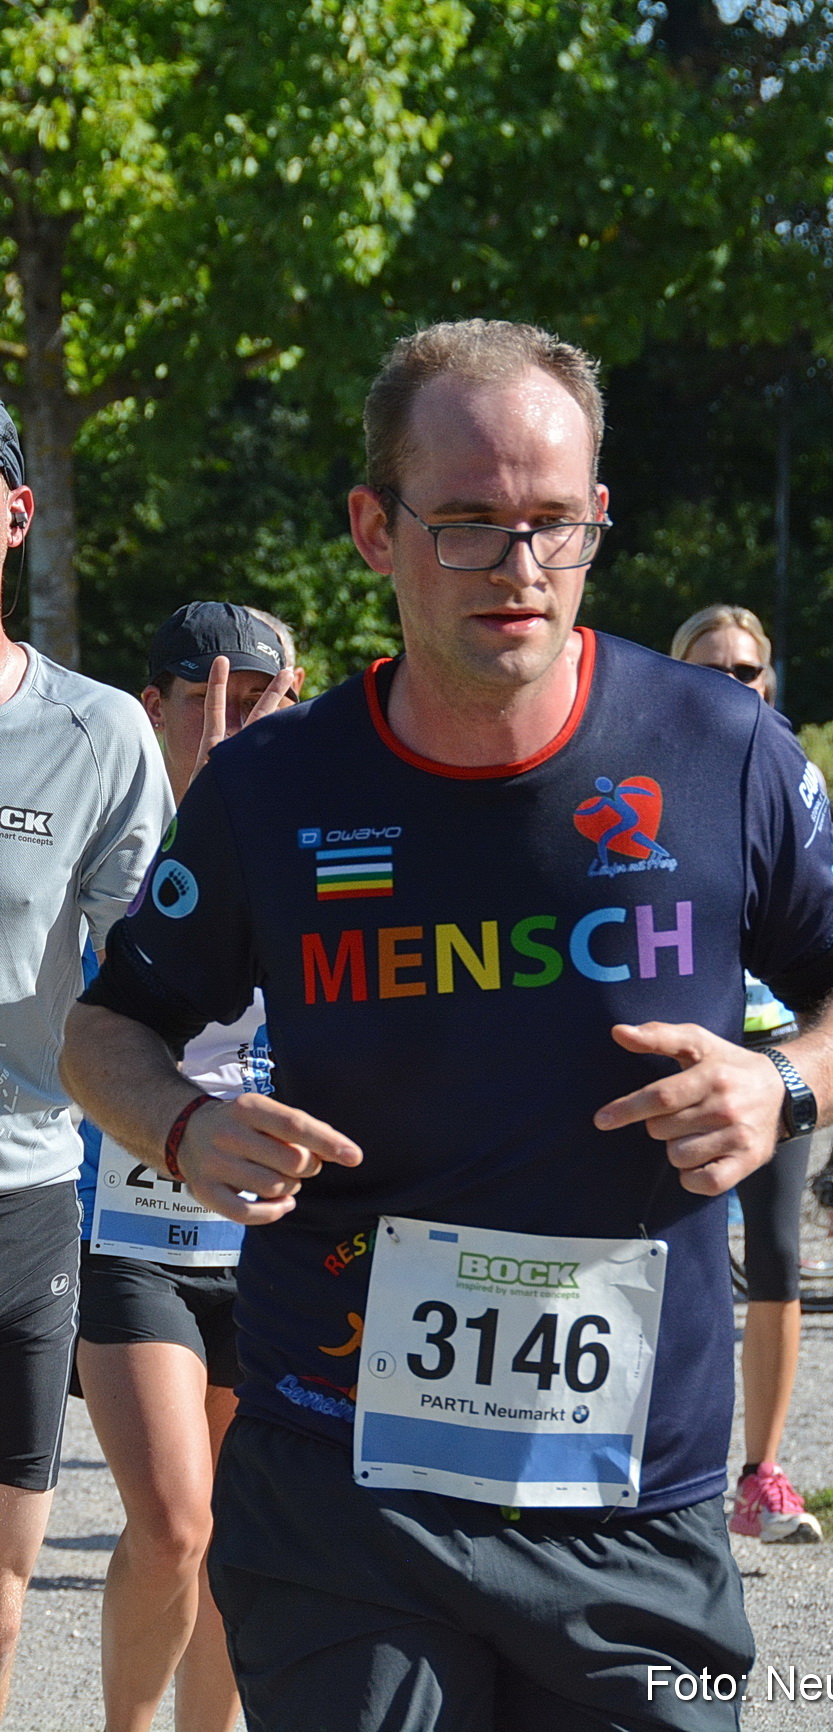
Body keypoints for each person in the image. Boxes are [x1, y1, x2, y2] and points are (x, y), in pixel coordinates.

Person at [62, 319, 833, 1732]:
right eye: (465, 526)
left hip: (629, 1494)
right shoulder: (276, 787)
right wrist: (182, 1119)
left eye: (551, 525)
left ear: (595, 522)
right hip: (347, 1490)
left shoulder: (717, 750)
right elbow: (109, 1027)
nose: (517, 571)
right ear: (372, 528)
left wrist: (782, 1086)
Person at [75, 603, 295, 1732]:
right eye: (218, 703)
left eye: (266, 706)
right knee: (173, 1522)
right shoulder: (114, 820)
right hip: (127, 1233)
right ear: (154, 706)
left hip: (262, 1241)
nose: (240, 728)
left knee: (235, 1539)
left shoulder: (309, 831)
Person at [0, 403, 172, 1720]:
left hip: (21, 1187)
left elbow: (158, 980)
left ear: (17, 515)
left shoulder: (98, 731)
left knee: (4, 1580)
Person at [672, 603, 819, 1544]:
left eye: (748, 670)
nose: (734, 684)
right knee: (666, 1263)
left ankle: (761, 1476)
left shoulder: (788, 774)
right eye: (713, 668)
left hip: (771, 1051)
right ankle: (655, 1470)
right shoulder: (645, 763)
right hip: (680, 1051)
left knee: (775, 1259)